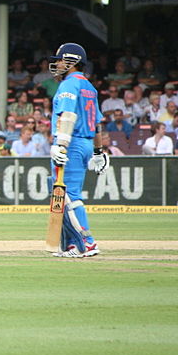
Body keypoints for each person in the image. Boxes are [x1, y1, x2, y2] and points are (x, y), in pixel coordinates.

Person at [48, 43, 107, 258]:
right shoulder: (89, 87)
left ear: (71, 61)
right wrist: (99, 151)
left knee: (67, 195)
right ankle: (72, 245)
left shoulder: (69, 85)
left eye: (60, 60)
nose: (57, 64)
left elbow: (67, 116)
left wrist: (61, 145)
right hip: (85, 143)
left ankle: (87, 242)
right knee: (64, 193)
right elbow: (98, 123)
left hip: (71, 142)